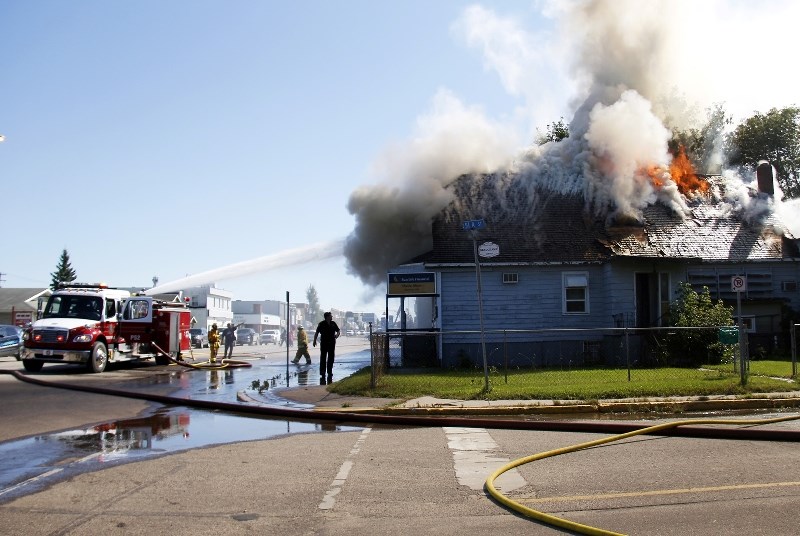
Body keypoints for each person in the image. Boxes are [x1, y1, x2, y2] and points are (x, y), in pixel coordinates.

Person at [313, 312, 340, 380]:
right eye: (331, 316)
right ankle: (322, 372)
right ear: (327, 317)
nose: (332, 317)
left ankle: (329, 371)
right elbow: (317, 332)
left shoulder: (333, 323)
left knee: (331, 357)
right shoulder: (321, 324)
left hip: (332, 343)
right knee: (323, 357)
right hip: (324, 343)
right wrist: (314, 340)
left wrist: (337, 335)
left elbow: (338, 330)